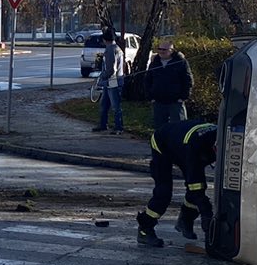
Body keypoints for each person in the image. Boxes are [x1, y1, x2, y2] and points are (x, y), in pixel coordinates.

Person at [137, 116, 218, 248]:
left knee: (198, 186)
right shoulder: (194, 145)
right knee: (164, 192)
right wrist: (207, 214)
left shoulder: (223, 137)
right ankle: (145, 228)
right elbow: (195, 184)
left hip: (182, 141)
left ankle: (185, 220)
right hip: (162, 144)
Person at [147, 38, 193, 132]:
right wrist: (150, 96)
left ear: (171, 51)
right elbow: (147, 79)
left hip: (175, 101)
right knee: (159, 129)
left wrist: (183, 97)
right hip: (158, 101)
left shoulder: (181, 62)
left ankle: (178, 146)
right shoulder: (155, 62)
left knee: (179, 128)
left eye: (164, 49)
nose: (161, 51)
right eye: (159, 49)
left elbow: (188, 80)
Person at [93, 34, 127, 133]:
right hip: (112, 81)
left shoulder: (110, 50)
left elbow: (111, 69)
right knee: (104, 104)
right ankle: (103, 124)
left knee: (115, 106)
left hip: (112, 81)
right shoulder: (117, 48)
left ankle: (119, 127)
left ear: (104, 40)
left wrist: (101, 77)